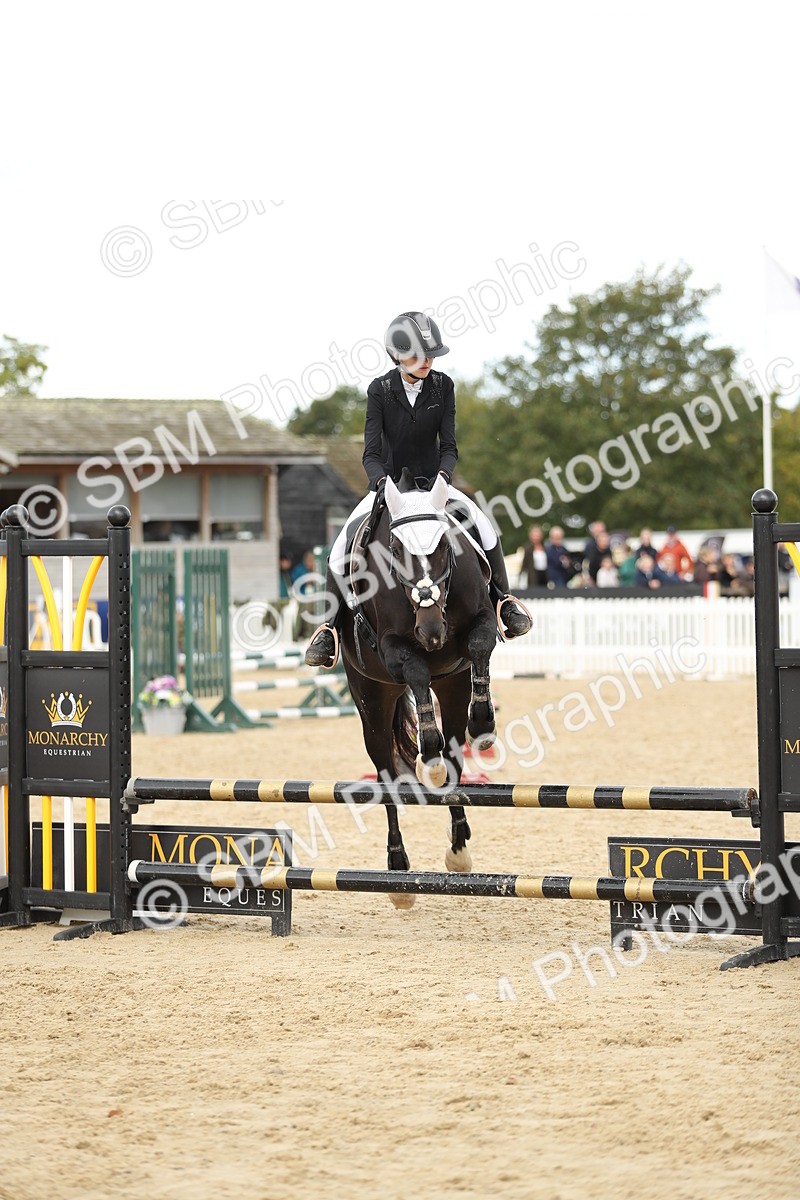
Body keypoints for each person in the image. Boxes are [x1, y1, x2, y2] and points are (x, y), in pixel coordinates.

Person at [305, 312, 532, 667]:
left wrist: (444, 476)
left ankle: (504, 600)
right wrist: (381, 482)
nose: (426, 361)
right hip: (390, 485)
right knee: (341, 545)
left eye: (430, 354)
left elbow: (450, 446)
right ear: (397, 356)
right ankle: (329, 629)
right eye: (417, 355)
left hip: (434, 485)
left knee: (483, 524)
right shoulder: (379, 390)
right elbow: (371, 452)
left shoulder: (444, 386)